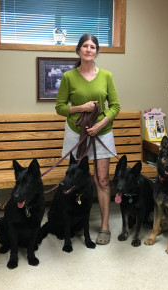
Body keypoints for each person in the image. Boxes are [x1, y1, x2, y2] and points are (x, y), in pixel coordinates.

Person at [55, 34, 121, 245]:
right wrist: (82, 108)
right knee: (74, 181)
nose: (89, 49)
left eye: (93, 47)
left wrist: (100, 124)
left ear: (97, 52)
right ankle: (74, 222)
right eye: (85, 46)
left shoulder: (107, 76)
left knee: (101, 180)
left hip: (102, 133)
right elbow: (60, 108)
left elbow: (116, 106)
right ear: (78, 50)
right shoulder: (68, 77)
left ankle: (104, 226)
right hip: (76, 133)